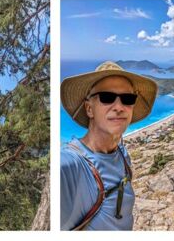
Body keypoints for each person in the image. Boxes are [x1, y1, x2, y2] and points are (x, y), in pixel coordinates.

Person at [60, 61, 158, 230]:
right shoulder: (70, 166)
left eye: (128, 99)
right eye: (107, 97)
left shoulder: (122, 154)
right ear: (89, 108)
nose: (119, 107)